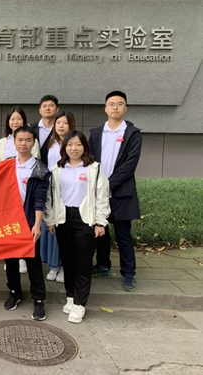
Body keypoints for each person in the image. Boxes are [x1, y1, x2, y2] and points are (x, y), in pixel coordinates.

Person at [45, 130, 110, 323]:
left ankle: (80, 304)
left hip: (85, 219)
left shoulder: (94, 168)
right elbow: (51, 197)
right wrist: (50, 219)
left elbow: (102, 196)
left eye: (78, 144)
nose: (74, 148)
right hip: (63, 218)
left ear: (85, 147)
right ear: (65, 147)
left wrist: (100, 222)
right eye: (70, 144)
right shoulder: (57, 170)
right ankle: (71, 296)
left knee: (83, 262)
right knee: (68, 261)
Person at [89, 91, 142, 292]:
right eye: (111, 104)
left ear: (125, 108)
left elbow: (130, 164)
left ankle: (128, 274)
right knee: (100, 231)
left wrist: (108, 184)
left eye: (120, 104)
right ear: (105, 108)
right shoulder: (96, 133)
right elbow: (89, 159)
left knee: (123, 235)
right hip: (99, 192)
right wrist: (97, 186)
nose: (115, 107)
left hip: (121, 192)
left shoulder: (132, 133)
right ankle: (103, 265)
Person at [4, 126, 50, 321]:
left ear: (34, 143)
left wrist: (37, 224)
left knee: (33, 262)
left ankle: (38, 299)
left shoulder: (40, 169)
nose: (23, 143)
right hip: (8, 221)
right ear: (14, 142)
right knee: (10, 260)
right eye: (20, 140)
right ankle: (14, 291)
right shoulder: (5, 166)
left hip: (29, 221)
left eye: (28, 140)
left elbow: (40, 199)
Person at [0, 106, 39, 274]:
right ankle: (10, 255)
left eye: (18, 118)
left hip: (26, 185)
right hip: (7, 188)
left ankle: (22, 257)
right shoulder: (2, 142)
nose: (15, 122)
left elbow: (36, 162)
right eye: (12, 119)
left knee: (25, 221)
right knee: (10, 223)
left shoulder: (32, 140)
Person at [40, 111, 76, 283]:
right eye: (58, 122)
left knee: (64, 228)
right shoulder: (50, 143)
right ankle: (53, 265)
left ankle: (63, 266)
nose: (61, 126)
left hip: (67, 190)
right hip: (50, 188)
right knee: (50, 226)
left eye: (65, 123)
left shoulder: (74, 144)